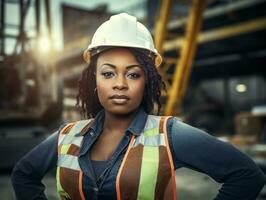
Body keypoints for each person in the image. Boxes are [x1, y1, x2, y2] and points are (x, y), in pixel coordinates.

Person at [11, 13, 265, 200]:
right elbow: (23, 174)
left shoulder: (169, 134)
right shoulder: (67, 136)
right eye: (108, 74)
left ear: (147, 81)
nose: (120, 84)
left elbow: (247, 176)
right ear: (94, 80)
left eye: (133, 75)